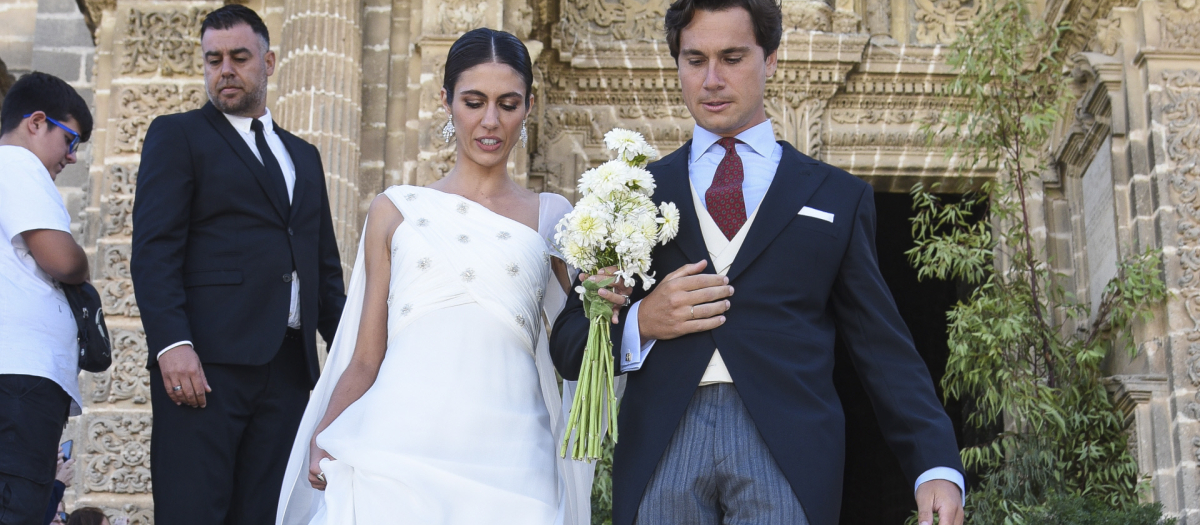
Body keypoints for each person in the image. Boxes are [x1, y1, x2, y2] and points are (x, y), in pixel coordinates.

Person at [550, 0, 968, 524]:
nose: (712, 79)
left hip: (787, 449)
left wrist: (935, 465)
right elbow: (568, 345)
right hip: (662, 446)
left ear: (770, 59)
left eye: (732, 57)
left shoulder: (837, 196)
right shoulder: (634, 197)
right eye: (695, 59)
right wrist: (641, 322)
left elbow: (883, 348)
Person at [276, 27, 596, 525]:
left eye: (508, 104)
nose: (491, 121)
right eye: (474, 101)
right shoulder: (395, 210)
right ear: (445, 100)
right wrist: (324, 432)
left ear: (529, 107)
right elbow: (365, 357)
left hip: (513, 461)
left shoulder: (553, 217)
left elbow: (581, 339)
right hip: (397, 447)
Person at [130, 5, 346, 524]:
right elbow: (154, 248)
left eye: (239, 57)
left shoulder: (306, 156)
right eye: (213, 59)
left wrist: (354, 361)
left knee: (264, 515)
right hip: (205, 368)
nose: (224, 70)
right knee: (193, 513)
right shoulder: (177, 135)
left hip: (290, 371)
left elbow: (325, 272)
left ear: (268, 62)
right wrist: (172, 344)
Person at [0, 71, 93, 525]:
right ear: (36, 122)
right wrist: (81, 263)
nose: (72, 157)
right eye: (70, 140)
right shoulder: (18, 164)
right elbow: (60, 259)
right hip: (19, 377)